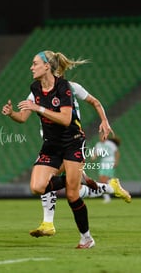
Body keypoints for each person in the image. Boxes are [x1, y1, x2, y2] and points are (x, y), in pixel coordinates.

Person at [2, 50, 98, 248]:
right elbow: (22, 118)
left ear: (47, 66)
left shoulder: (64, 87)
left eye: (35, 63)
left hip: (72, 141)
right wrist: (11, 113)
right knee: (37, 187)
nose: (31, 67)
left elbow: (65, 119)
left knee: (72, 195)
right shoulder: (35, 88)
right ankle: (74, 178)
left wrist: (40, 109)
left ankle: (86, 238)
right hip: (51, 145)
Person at [29, 81, 131, 237]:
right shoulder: (38, 90)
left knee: (52, 182)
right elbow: (24, 112)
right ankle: (110, 188)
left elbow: (94, 102)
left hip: (71, 142)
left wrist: (104, 121)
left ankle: (48, 223)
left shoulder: (70, 87)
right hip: (51, 144)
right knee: (74, 190)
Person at [92, 135, 121, 203]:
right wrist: (94, 157)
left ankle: (110, 194)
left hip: (110, 162)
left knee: (104, 179)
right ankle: (108, 195)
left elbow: (117, 153)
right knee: (102, 180)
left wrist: (116, 162)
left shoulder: (110, 144)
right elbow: (96, 153)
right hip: (103, 162)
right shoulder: (98, 144)